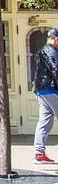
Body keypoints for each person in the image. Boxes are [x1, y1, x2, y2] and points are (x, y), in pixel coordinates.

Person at [32, 28, 58, 164]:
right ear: (56, 39)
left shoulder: (42, 51)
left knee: (45, 121)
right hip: (50, 90)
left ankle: (39, 153)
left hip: (40, 90)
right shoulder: (52, 51)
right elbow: (56, 70)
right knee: (45, 122)